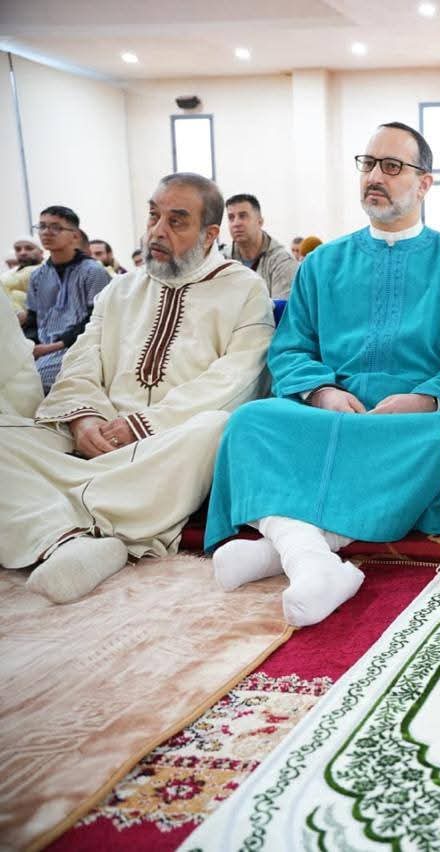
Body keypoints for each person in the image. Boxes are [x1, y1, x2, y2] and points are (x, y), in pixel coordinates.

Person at [205, 122, 440, 627]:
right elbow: (291, 346)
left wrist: (425, 399)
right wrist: (321, 391)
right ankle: (312, 557)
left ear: (424, 183)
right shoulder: (321, 264)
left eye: (392, 166)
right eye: (368, 164)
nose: (374, 176)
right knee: (250, 422)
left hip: (415, 426)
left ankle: (291, 547)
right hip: (332, 414)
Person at [0, 173, 273, 602]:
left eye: (176, 221)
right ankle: (82, 538)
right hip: (95, 437)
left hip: (167, 442)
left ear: (209, 235)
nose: (157, 231)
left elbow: (239, 376)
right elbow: (82, 359)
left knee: (215, 428)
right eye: (153, 216)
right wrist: (84, 418)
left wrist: (143, 425)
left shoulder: (244, 290)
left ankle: (56, 525)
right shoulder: (121, 289)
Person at [27, 206, 112, 392]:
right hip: (41, 350)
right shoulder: (37, 276)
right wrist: (29, 346)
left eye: (56, 227)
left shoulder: (93, 272)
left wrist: (53, 347)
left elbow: (97, 321)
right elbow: (33, 319)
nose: (46, 232)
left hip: (79, 349)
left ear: (75, 235)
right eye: (42, 226)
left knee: (36, 380)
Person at [225, 193, 298, 298]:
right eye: (231, 218)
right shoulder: (222, 260)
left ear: (260, 222)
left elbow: (282, 306)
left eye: (243, 216)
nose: (236, 223)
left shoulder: (282, 262)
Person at [3, 236, 43, 319]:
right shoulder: (10, 273)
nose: (22, 253)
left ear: (41, 252)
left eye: (29, 248)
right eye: (18, 249)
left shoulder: (47, 270)